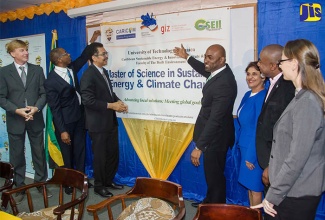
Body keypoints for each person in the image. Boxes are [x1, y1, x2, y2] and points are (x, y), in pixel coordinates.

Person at [252, 39, 325, 220]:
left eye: (282, 61)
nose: (280, 66)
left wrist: (273, 195)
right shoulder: (300, 96)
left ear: (294, 64)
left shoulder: (307, 102)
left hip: (295, 193)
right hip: (291, 189)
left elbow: (296, 158)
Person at [173, 44, 237, 206]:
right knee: (211, 174)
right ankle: (210, 201)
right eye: (205, 56)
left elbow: (215, 119)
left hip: (217, 137)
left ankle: (215, 209)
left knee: (214, 175)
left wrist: (199, 147)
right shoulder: (218, 72)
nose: (206, 60)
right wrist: (187, 57)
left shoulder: (225, 83)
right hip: (216, 135)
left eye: (210, 58)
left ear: (222, 60)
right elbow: (204, 68)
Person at [44, 31, 100, 195]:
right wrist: (62, 131)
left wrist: (92, 41)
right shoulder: (51, 81)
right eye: (66, 54)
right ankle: (68, 182)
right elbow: (55, 108)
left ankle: (80, 179)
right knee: (67, 154)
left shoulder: (71, 68)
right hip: (65, 123)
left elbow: (83, 57)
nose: (69, 55)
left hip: (79, 118)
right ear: (59, 59)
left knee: (80, 150)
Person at [0, 39, 50, 204]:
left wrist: (36, 108)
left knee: (39, 154)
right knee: (16, 156)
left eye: (26, 50)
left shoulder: (37, 69)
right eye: (22, 50)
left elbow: (44, 93)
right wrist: (17, 110)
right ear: (12, 53)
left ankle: (40, 184)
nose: (26, 53)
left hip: (35, 118)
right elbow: (1, 98)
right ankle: (19, 186)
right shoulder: (4, 72)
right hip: (16, 119)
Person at [80, 42, 128, 198]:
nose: (106, 56)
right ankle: (99, 186)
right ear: (94, 57)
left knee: (112, 154)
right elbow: (88, 101)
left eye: (106, 53)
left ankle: (108, 181)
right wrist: (111, 105)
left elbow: (109, 94)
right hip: (98, 124)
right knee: (100, 157)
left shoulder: (104, 72)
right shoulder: (88, 75)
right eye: (103, 54)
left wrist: (118, 102)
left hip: (110, 122)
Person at [255, 44, 295, 188]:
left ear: (273, 66)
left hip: (277, 162)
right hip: (267, 158)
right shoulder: (273, 83)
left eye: (261, 61)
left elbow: (286, 132)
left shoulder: (287, 88)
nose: (258, 64)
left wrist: (272, 164)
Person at [236, 62, 266, 206]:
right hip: (244, 146)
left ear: (262, 76)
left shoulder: (262, 97)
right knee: (249, 186)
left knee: (255, 189)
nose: (250, 77)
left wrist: (251, 156)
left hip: (253, 151)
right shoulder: (248, 94)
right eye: (248, 74)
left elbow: (258, 129)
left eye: (254, 74)